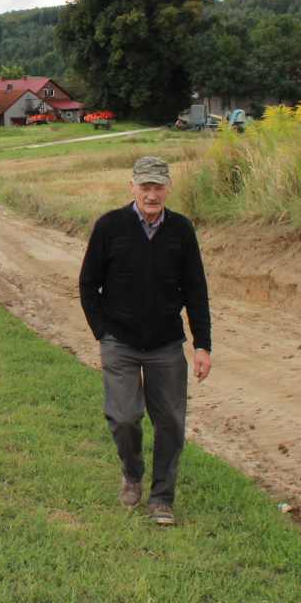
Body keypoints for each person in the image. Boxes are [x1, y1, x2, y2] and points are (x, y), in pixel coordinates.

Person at [77, 155, 212, 526]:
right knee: (124, 418)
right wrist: (103, 332)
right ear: (132, 187)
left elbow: (196, 290)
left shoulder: (181, 230)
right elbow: (88, 284)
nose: (152, 195)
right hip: (119, 341)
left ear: (168, 188)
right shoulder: (110, 226)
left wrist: (202, 344)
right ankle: (132, 472)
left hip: (166, 344)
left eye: (158, 187)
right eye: (145, 187)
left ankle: (162, 498)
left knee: (170, 422)